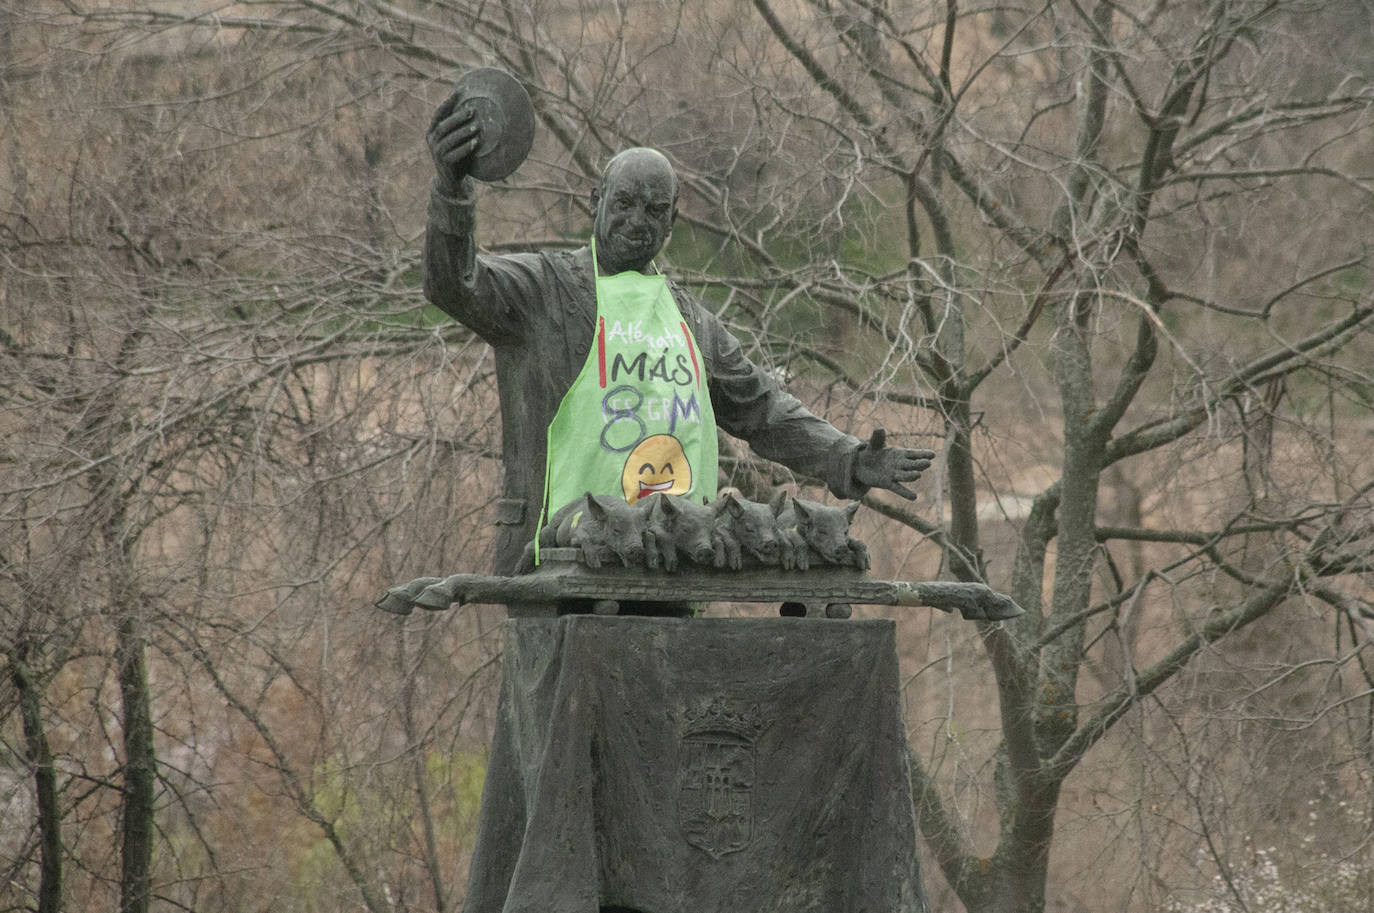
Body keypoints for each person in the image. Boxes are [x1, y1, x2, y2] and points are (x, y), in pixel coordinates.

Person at [423, 88, 935, 580]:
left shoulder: (691, 321)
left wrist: (848, 457)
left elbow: (764, 410)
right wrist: (452, 189)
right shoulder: (543, 289)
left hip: (675, 566)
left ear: (672, 220)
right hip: (557, 569)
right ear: (595, 201)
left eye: (653, 209)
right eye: (623, 203)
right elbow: (456, 283)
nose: (636, 220)